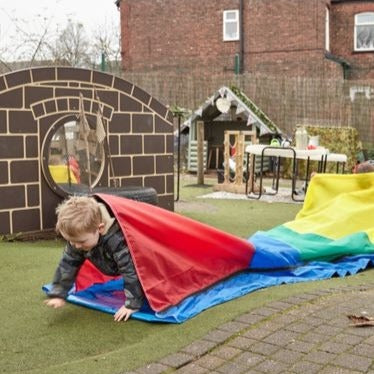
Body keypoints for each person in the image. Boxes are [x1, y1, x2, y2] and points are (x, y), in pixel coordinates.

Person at [44, 195, 144, 322]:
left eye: (81, 241)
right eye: (71, 241)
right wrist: (58, 293)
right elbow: (68, 265)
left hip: (141, 260)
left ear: (100, 229)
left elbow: (130, 270)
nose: (76, 246)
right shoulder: (79, 240)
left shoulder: (116, 240)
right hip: (111, 263)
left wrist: (132, 305)